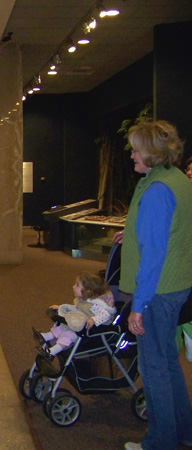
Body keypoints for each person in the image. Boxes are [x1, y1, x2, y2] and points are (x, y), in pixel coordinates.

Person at [119, 120, 192, 450]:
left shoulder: (158, 190)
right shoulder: (174, 179)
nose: (132, 154)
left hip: (158, 293)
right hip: (177, 285)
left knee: (154, 369)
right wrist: (131, 232)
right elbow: (168, 231)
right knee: (167, 360)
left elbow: (154, 254)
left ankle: (161, 442)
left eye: (136, 149)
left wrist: (139, 305)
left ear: (153, 153)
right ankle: (184, 432)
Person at [33, 271, 116, 360]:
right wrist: (60, 307)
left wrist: (93, 319)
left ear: (87, 290)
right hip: (76, 325)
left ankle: (52, 352)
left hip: (81, 331)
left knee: (67, 335)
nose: (73, 287)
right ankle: (46, 336)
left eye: (77, 285)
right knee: (62, 327)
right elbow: (75, 308)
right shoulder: (82, 300)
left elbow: (106, 314)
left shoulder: (94, 304)